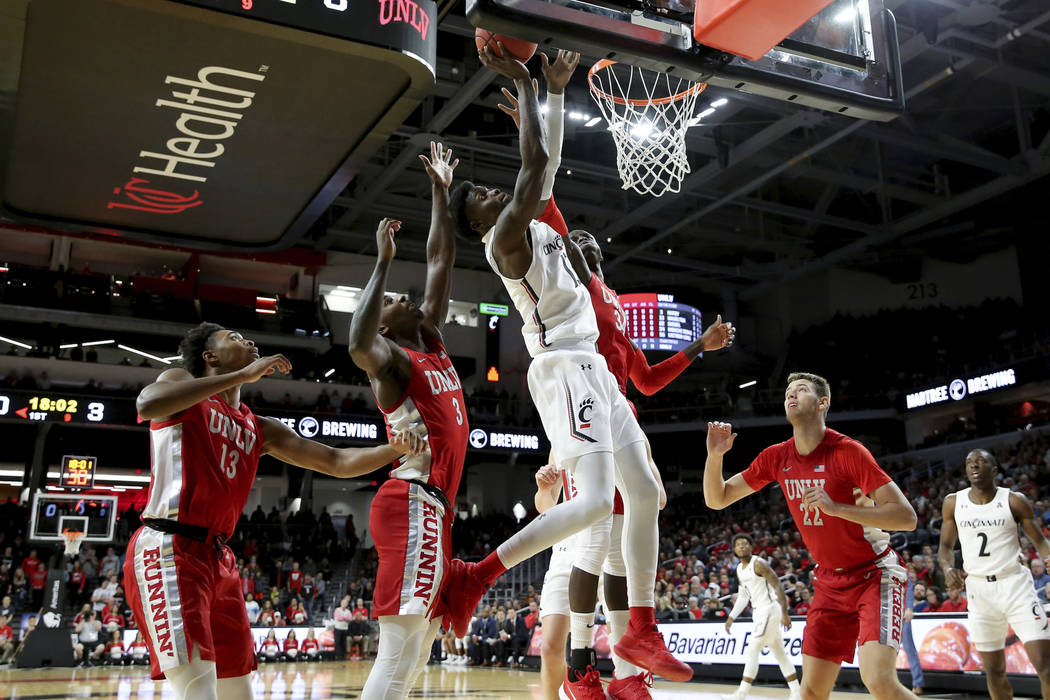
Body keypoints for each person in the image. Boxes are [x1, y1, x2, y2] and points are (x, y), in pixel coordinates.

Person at [442, 45, 688, 695]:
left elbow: (542, 169)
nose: (491, 194)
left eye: (491, 191)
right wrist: (530, 85)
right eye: (479, 200)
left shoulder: (531, 213)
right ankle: (478, 574)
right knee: (589, 507)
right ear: (478, 224)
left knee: (642, 495)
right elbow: (538, 163)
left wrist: (550, 92)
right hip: (562, 369)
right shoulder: (506, 237)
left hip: (595, 371)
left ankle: (638, 625)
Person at [124, 323, 425, 700]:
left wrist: (396, 449)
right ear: (210, 357)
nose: (247, 340)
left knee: (239, 692)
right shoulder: (179, 381)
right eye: (233, 337)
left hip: (218, 559)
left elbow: (336, 460)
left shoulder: (258, 427)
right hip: (169, 546)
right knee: (197, 690)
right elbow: (146, 404)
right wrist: (244, 375)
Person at [704, 372, 919, 700]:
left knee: (878, 682)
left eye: (801, 390)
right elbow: (716, 499)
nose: (791, 394)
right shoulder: (776, 456)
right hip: (829, 583)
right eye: (788, 391)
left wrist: (838, 508)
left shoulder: (849, 452)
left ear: (822, 403)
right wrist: (715, 457)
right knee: (810, 692)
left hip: (875, 575)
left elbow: (907, 517)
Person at [348, 141, 468, 700]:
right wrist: (381, 264)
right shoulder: (391, 361)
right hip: (412, 499)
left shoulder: (432, 342)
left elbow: (441, 260)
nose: (405, 298)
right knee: (401, 650)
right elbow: (357, 343)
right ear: (388, 325)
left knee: (417, 650)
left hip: (433, 508)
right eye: (394, 299)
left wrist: (441, 193)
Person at [937, 448, 1050, 699]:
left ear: (995, 470)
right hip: (979, 591)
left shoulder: (1014, 500)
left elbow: (1040, 541)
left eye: (980, 462)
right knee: (994, 671)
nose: (974, 466)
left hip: (1015, 585)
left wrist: (1049, 557)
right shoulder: (953, 502)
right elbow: (945, 548)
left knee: (1045, 666)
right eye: (969, 463)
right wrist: (947, 568)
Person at [723, 534, 800, 700]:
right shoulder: (738, 569)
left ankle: (741, 694)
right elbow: (743, 596)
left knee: (753, 648)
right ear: (734, 550)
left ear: (751, 547)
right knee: (779, 653)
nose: (742, 546)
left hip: (770, 609)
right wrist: (731, 617)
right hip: (758, 612)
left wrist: (785, 612)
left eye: (745, 544)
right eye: (738, 544)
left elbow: (778, 585)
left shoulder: (759, 564)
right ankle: (797, 693)